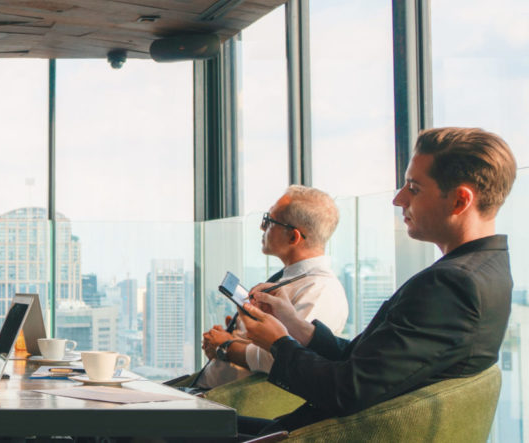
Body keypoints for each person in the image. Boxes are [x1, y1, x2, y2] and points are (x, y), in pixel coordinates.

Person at [239, 127, 517, 436]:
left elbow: (345, 390)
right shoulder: (488, 270)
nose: (399, 199)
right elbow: (370, 367)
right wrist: (296, 326)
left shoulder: (450, 285)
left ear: (460, 200)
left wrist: (278, 342)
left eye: (413, 187)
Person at [195, 185, 348, 390]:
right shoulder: (291, 278)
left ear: (294, 237)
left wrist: (225, 346)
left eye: (269, 221)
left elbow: (284, 357)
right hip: (212, 393)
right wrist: (238, 335)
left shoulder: (321, 290)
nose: (261, 227)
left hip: (230, 406)